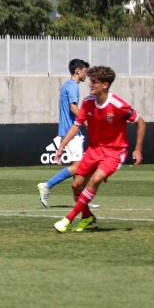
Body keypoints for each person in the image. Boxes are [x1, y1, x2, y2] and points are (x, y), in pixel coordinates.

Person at [53, 65, 144, 233]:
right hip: (94, 149)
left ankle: (68, 219)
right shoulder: (88, 102)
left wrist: (137, 149)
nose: (90, 85)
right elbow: (76, 125)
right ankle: (87, 216)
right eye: (90, 81)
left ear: (105, 85)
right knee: (76, 185)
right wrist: (62, 146)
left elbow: (140, 121)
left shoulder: (118, 104)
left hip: (115, 151)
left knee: (95, 180)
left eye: (94, 82)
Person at [38, 58, 89, 207]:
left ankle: (80, 201)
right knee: (77, 167)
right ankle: (47, 185)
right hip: (71, 132)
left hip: (70, 131)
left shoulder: (66, 85)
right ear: (78, 71)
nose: (87, 74)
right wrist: (86, 123)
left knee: (77, 166)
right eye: (85, 71)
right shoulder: (73, 86)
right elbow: (73, 108)